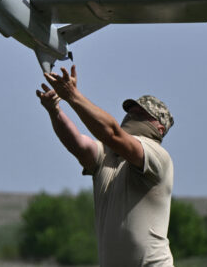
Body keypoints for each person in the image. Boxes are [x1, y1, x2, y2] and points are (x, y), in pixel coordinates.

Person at [36, 65, 175, 267]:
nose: (131, 116)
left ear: (159, 129)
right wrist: (54, 110)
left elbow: (111, 133)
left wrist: (73, 95)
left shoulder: (157, 155)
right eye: (130, 112)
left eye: (141, 115)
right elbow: (79, 144)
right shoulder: (109, 154)